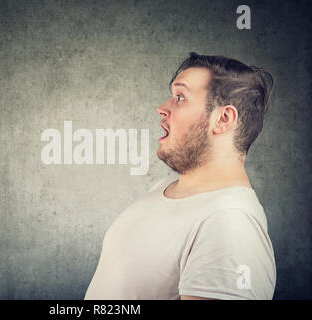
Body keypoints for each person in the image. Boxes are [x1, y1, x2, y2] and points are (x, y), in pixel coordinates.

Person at [84, 52, 276, 300]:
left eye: (180, 97)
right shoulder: (164, 187)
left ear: (223, 119)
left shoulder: (230, 223)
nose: (162, 108)